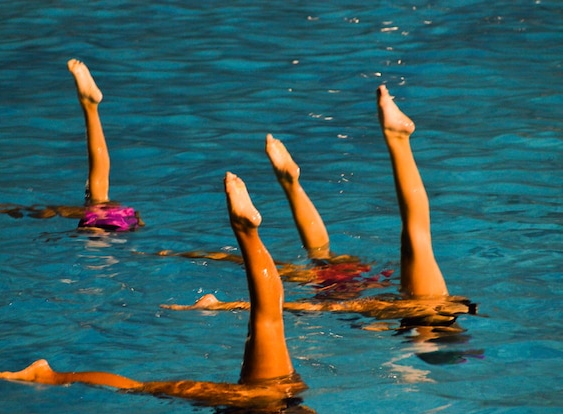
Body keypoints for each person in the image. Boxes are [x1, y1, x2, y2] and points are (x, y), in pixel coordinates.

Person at [0, 172, 316, 414]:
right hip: (262, 402)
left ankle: (247, 233)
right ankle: (48, 375)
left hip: (288, 390)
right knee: (137, 387)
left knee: (268, 318)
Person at [162, 85, 477, 323]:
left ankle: (391, 143)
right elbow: (283, 307)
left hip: (371, 282)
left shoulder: (417, 306)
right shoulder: (400, 309)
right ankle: (294, 184)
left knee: (412, 236)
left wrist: (218, 294)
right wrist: (223, 305)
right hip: (368, 291)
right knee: (321, 257)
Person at [0, 59, 143, 232]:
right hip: (121, 223)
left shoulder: (85, 212)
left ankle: (90, 107)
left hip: (106, 225)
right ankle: (90, 108)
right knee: (98, 183)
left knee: (31, 209)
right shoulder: (116, 212)